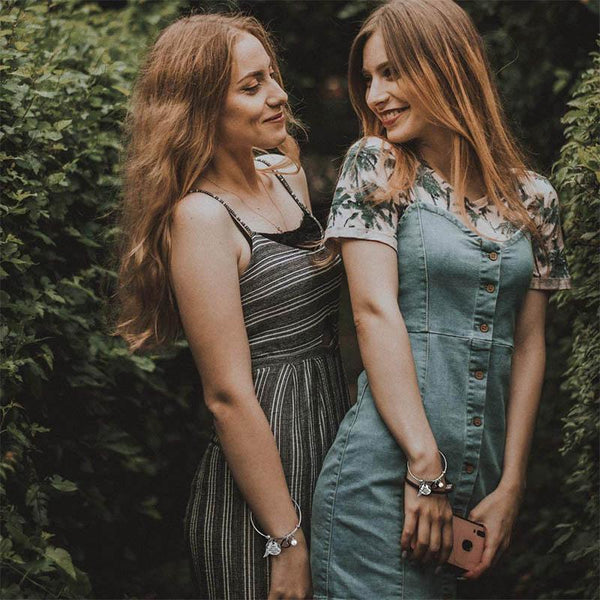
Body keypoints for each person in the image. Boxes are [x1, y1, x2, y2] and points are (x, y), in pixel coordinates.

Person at [310, 1, 571, 598]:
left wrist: (511, 484)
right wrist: (424, 466)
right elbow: (373, 312)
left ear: (446, 66)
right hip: (385, 481)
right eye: (368, 78)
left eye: (392, 73)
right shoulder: (375, 164)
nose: (375, 95)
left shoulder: (534, 198)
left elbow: (529, 344)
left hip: (476, 494)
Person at [116, 13, 350, 600]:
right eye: (251, 86)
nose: (278, 95)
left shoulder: (286, 175)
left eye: (271, 76)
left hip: (331, 446)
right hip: (262, 495)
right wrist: (285, 540)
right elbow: (226, 396)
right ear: (198, 110)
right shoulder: (201, 218)